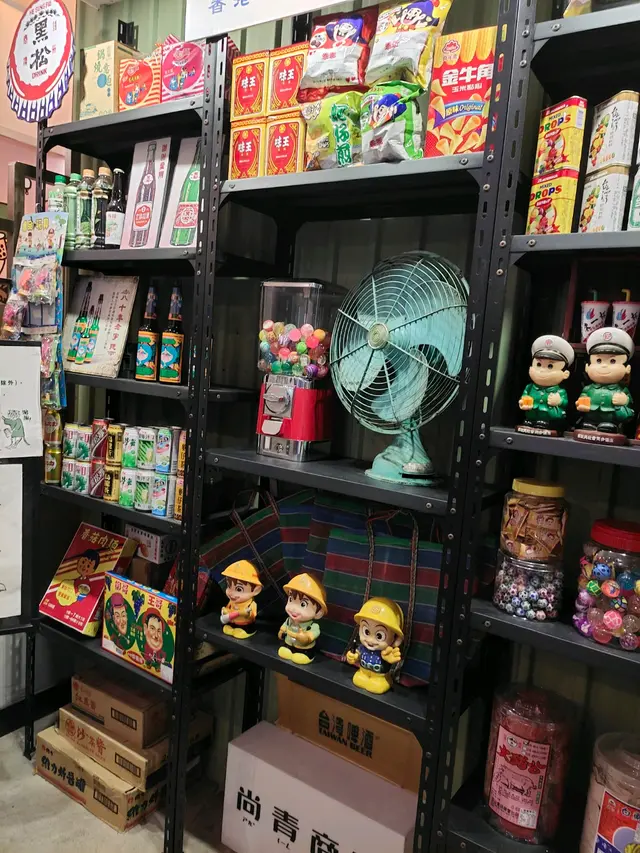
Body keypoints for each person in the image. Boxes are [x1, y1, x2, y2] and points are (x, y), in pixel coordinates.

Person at [576, 327, 635, 434]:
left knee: (609, 427)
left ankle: (610, 426)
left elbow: (629, 406)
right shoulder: (588, 389)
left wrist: (624, 401)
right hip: (590, 419)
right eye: (598, 360)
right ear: (587, 367)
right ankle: (591, 425)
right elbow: (582, 398)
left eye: (612, 361)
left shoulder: (622, 390)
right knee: (586, 425)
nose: (604, 366)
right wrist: (580, 404)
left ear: (627, 369)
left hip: (611, 421)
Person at [346, 597, 404, 695]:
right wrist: (352, 656)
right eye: (366, 632)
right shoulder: (362, 648)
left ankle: (381, 680)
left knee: (376, 685)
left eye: (379, 636)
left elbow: (389, 661)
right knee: (358, 679)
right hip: (362, 672)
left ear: (395, 638)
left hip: (379, 677)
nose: (370, 640)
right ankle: (364, 675)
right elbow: (357, 654)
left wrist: (388, 660)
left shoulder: (385, 653)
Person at [518, 335, 575, 433]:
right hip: (531, 412)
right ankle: (530, 420)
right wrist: (522, 402)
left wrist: (559, 401)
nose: (542, 371)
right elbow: (524, 396)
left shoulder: (560, 391)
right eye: (538, 365)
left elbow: (565, 402)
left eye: (550, 366)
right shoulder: (529, 387)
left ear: (565, 374)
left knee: (548, 420)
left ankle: (546, 422)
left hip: (550, 416)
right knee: (529, 420)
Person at [278, 573, 327, 665]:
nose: (293, 609)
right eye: (291, 600)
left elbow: (313, 634)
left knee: (301, 656)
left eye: (303, 604)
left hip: (304, 649)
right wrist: (282, 630)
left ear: (318, 612)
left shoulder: (312, 626)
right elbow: (284, 626)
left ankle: (306, 655)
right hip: (289, 643)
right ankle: (288, 649)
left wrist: (306, 637)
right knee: (284, 651)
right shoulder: (289, 620)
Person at [220, 560, 262, 639]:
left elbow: (252, 615)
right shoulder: (232, 601)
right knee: (228, 628)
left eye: (239, 589)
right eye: (229, 586)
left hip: (245, 625)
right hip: (232, 622)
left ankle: (244, 631)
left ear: (256, 590)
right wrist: (225, 611)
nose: (231, 593)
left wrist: (246, 613)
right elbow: (228, 608)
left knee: (242, 630)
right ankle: (232, 628)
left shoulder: (251, 604)